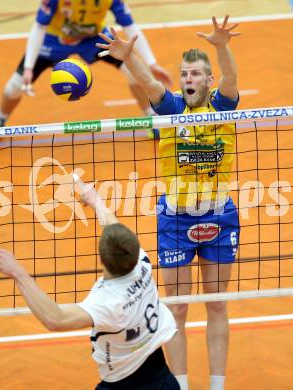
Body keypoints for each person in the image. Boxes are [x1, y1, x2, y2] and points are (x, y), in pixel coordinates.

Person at [96, 15, 241, 390]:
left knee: (218, 304)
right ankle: (181, 387)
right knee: (176, 309)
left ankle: (217, 386)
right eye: (184, 74)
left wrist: (221, 47)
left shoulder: (222, 107)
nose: (188, 79)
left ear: (208, 81)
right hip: (176, 222)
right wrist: (128, 57)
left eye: (195, 74)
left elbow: (231, 80)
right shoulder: (171, 110)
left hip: (219, 218)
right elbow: (148, 82)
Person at [0, 174, 180, 390]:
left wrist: (18, 273)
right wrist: (95, 199)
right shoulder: (141, 263)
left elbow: (56, 319)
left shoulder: (109, 301)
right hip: (162, 377)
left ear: (102, 258)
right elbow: (115, 229)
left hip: (124, 384)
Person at [0, 0, 171, 146]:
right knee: (16, 85)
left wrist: (152, 63)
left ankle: (151, 118)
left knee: (134, 71)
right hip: (55, 41)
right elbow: (39, 27)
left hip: (93, 39)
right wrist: (29, 67)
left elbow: (131, 27)